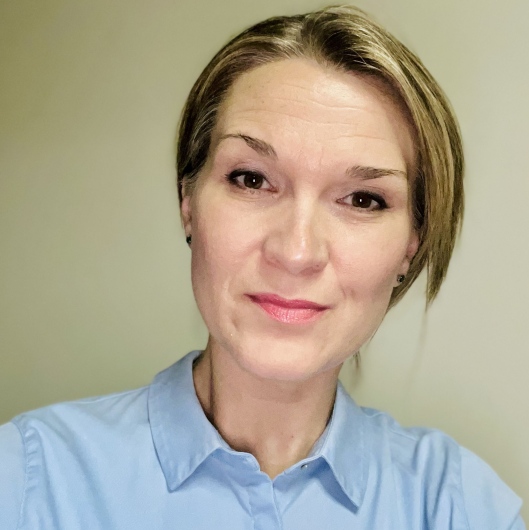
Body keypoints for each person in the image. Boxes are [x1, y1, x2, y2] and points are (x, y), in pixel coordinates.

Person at [0, 5, 524, 529]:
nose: (296, 253)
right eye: (251, 179)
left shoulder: (462, 508)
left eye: (363, 199)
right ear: (188, 201)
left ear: (412, 245)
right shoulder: (27, 482)